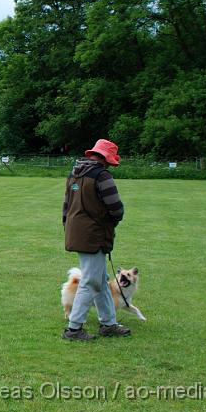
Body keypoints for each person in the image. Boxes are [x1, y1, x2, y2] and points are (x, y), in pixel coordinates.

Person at [61, 139, 130, 341]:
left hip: (76, 231)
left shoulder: (74, 173)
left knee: (99, 278)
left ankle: (108, 324)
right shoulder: (102, 176)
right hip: (94, 234)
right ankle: (74, 329)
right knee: (91, 281)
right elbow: (116, 208)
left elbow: (66, 207)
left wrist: (69, 226)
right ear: (105, 158)